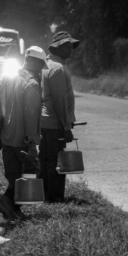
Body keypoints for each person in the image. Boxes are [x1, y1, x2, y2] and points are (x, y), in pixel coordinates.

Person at [0, 46, 45, 221]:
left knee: (13, 174)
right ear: (34, 62)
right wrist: (32, 143)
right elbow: (31, 116)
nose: (41, 70)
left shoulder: (8, 77)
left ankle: (13, 211)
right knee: (29, 172)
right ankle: (6, 203)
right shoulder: (31, 84)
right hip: (22, 139)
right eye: (41, 65)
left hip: (6, 136)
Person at [39, 31, 80, 203]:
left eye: (71, 45)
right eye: (66, 45)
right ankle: (53, 198)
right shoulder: (56, 69)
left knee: (47, 160)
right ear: (57, 48)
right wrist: (66, 126)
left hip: (47, 123)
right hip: (54, 123)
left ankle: (45, 196)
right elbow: (59, 101)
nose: (71, 48)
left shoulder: (48, 65)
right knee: (54, 162)